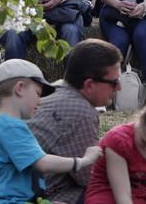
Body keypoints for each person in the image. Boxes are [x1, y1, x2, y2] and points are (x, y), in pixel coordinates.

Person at [0, 60, 104, 204]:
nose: (40, 101)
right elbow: (43, 162)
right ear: (20, 89)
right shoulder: (9, 126)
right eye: (37, 93)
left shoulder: (7, 125)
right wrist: (83, 161)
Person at [28, 40, 125, 204]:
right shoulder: (82, 112)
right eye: (114, 82)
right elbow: (88, 177)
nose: (119, 88)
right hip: (40, 196)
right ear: (89, 85)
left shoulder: (56, 92)